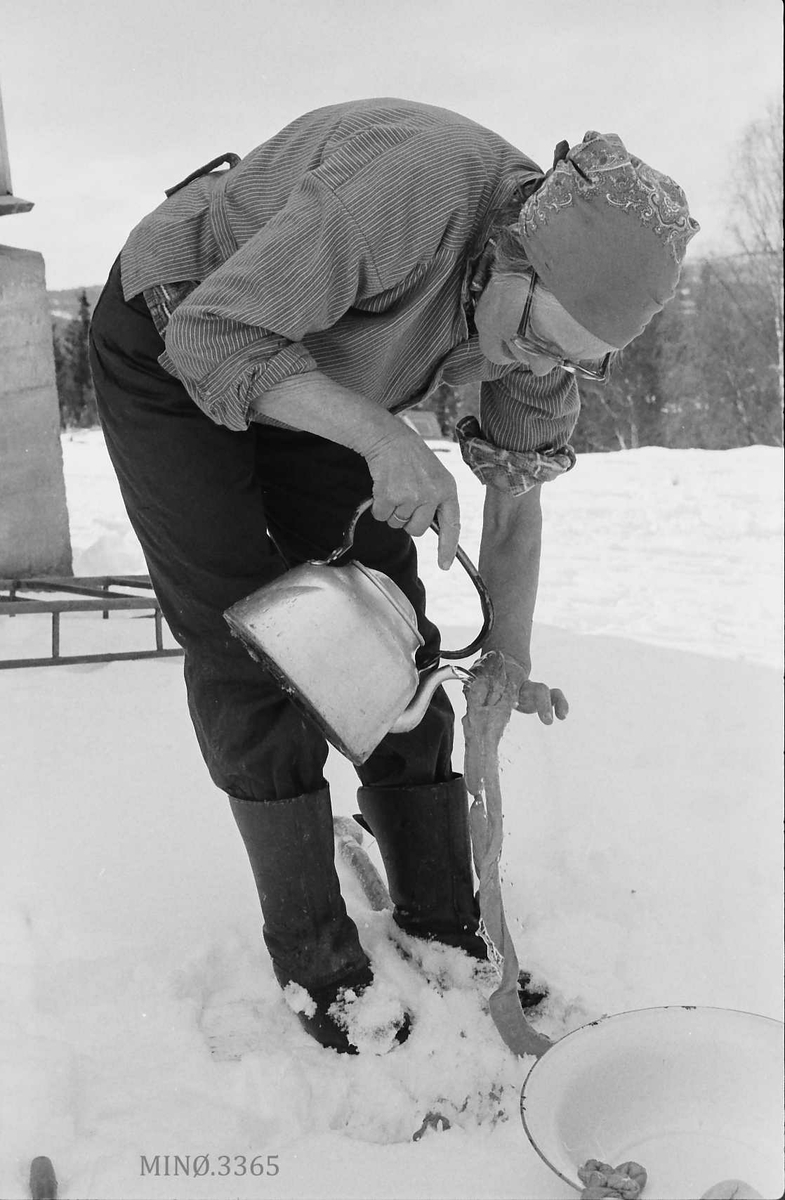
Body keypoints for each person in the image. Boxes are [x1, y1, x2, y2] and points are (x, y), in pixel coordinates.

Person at [89, 98, 698, 1055]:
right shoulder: (403, 189)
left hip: (318, 371)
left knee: (384, 622)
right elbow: (216, 338)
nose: (536, 364)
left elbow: (515, 498)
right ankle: (321, 971)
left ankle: (446, 931)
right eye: (536, 338)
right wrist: (381, 438)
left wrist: (506, 651)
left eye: (566, 359)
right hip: (181, 328)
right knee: (252, 627)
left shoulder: (545, 329)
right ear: (516, 256)